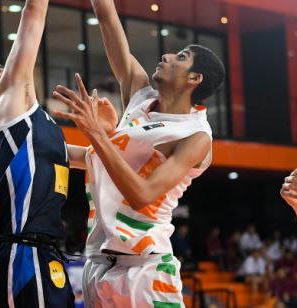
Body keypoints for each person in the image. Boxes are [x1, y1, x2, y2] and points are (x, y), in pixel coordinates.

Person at [52, 0, 225, 306]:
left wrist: (98, 134)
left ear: (194, 79)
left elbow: (142, 194)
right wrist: (28, 139)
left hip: (144, 269)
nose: (167, 55)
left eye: (181, 56)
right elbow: (106, 17)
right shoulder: (141, 96)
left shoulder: (195, 136)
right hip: (97, 264)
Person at [0, 1, 75, 306]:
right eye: (1, 71)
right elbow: (33, 14)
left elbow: (91, 158)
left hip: (42, 251)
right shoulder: (5, 111)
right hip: (18, 252)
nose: (11, 69)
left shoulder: (41, 126)